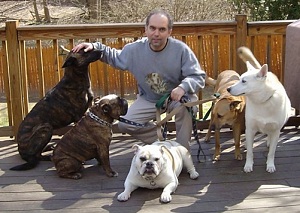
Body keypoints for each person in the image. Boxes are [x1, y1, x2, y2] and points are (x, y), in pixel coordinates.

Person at [72, 9, 206, 150]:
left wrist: (183, 87)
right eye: (152, 28)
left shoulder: (181, 50)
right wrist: (94, 47)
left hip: (177, 99)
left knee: (187, 108)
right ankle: (166, 146)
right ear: (146, 29)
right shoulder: (134, 50)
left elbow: (198, 76)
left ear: (169, 32)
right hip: (149, 99)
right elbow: (114, 56)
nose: (156, 33)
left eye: (162, 29)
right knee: (126, 123)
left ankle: (182, 152)